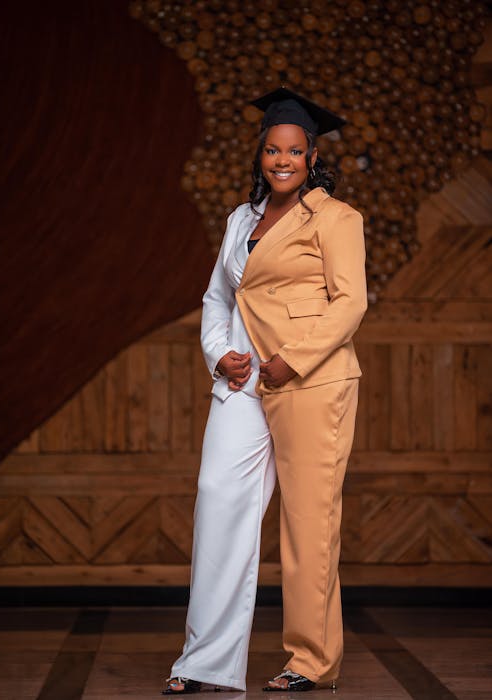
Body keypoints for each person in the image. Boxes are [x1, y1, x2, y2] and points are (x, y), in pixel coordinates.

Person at [163, 87, 367, 695]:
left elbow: (350, 302)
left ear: (311, 158)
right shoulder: (241, 219)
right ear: (261, 155)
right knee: (218, 499)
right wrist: (217, 352)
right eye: (274, 150)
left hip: (311, 382)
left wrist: (291, 360)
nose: (283, 160)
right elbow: (219, 298)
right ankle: (204, 661)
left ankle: (309, 661)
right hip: (244, 380)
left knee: (308, 523)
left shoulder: (336, 218)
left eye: (295, 151)